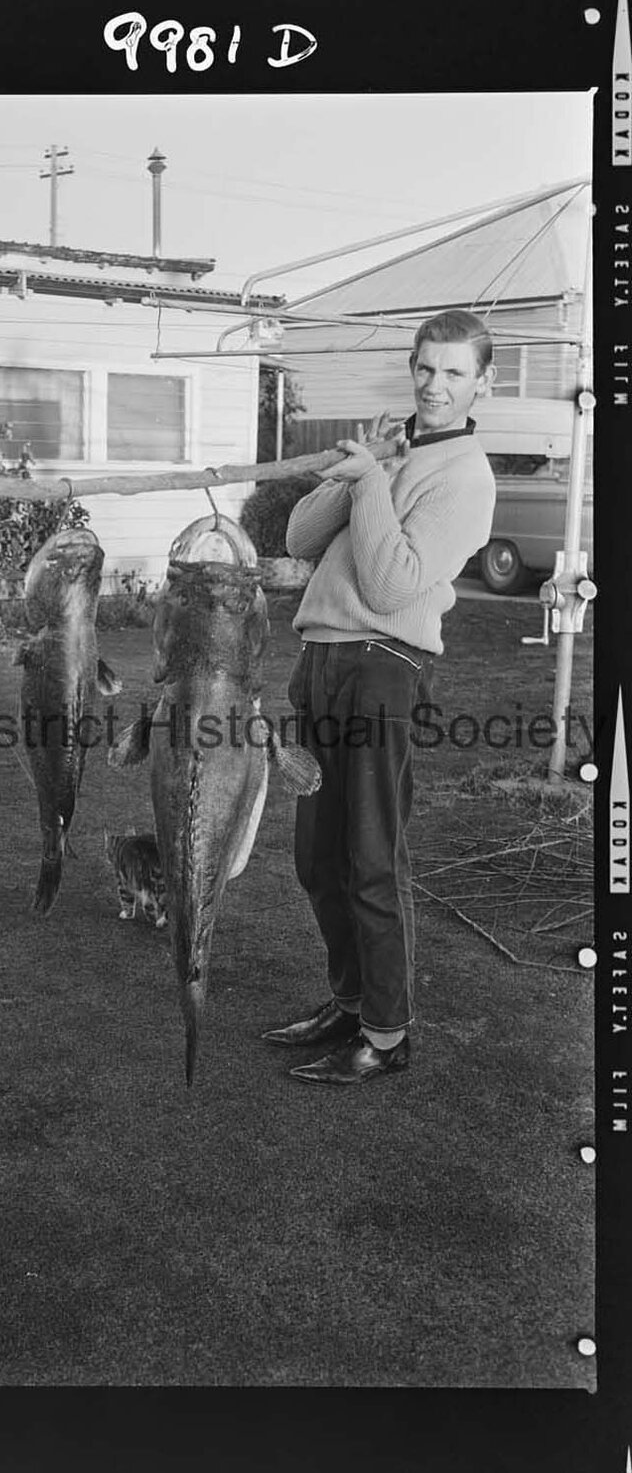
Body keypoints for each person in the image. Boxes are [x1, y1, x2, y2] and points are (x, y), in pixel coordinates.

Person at [261, 308, 497, 1086]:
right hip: (323, 660)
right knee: (316, 859)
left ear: (480, 385)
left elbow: (391, 581)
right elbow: (298, 538)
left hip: (382, 669)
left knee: (368, 858)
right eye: (426, 368)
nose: (434, 385)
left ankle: (388, 1035)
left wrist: (372, 485)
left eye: (454, 373)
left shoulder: (466, 476)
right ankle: (351, 1000)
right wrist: (368, 468)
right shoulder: (397, 452)